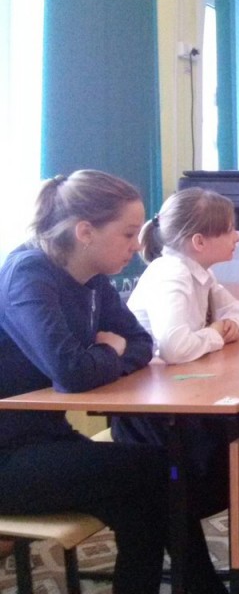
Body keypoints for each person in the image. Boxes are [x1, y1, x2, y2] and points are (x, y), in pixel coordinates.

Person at [0, 171, 169, 592]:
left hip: (45, 439)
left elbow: (141, 342)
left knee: (146, 495)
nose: (137, 245)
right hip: (7, 456)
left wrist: (109, 352)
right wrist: (110, 351)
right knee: (156, 470)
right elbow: (71, 373)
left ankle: (193, 584)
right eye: (128, 233)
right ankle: (201, 584)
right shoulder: (29, 274)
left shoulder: (92, 279)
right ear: (85, 232)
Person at [112, 187, 239, 594]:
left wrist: (224, 326)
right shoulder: (170, 274)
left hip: (176, 402)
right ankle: (198, 576)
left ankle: (198, 577)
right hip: (147, 418)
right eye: (230, 230)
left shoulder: (200, 273)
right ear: (199, 241)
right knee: (188, 479)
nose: (238, 237)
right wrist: (217, 333)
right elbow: (175, 347)